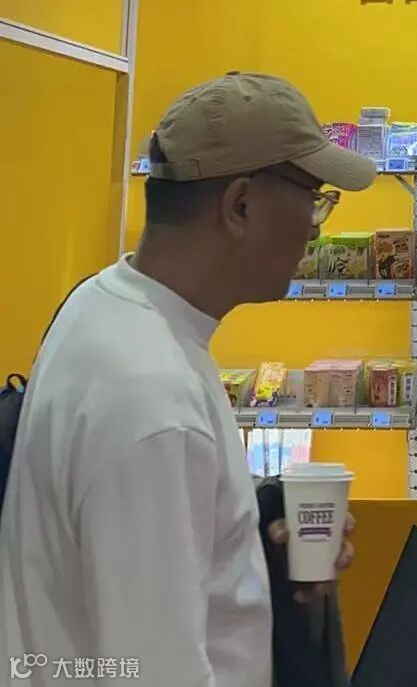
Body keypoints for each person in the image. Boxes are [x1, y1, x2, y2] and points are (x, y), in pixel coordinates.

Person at [0, 71, 377, 686]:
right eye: (313, 196)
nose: (316, 227)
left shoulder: (106, 303)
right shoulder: (152, 401)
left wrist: (253, 540)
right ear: (241, 206)